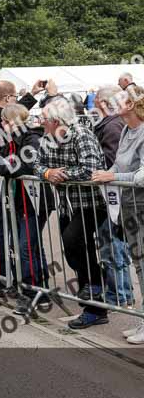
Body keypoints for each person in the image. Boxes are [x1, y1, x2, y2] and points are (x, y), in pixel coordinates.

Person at [35, 98, 107, 329]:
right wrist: (47, 172)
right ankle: (94, 291)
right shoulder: (47, 138)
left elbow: (91, 169)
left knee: (74, 241)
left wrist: (61, 174)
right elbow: (37, 164)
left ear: (56, 120)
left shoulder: (81, 134)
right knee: (71, 252)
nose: (41, 122)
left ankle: (96, 299)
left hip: (90, 203)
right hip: (66, 204)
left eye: (44, 119)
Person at [0, 103, 51, 315]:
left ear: (13, 121)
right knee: (27, 247)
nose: (2, 125)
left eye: (4, 121)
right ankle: (37, 288)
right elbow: (6, 161)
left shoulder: (32, 138)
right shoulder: (11, 141)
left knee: (26, 248)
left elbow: (24, 165)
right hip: (19, 200)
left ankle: (31, 293)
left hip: (34, 201)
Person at [92, 85, 144, 344]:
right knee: (138, 264)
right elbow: (119, 163)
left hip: (140, 206)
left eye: (120, 100)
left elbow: (141, 174)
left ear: (132, 105)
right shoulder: (125, 129)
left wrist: (113, 176)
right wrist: (104, 174)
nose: (114, 104)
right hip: (128, 205)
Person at [91, 85, 134, 308]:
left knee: (113, 246)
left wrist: (103, 173)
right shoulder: (117, 125)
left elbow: (115, 161)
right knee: (113, 245)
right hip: (113, 194)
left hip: (118, 196)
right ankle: (121, 293)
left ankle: (119, 293)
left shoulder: (114, 126)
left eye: (96, 100)